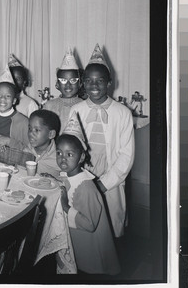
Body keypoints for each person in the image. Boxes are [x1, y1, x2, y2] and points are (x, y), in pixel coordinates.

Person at [69, 44, 135, 238]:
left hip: (111, 176)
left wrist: (104, 183)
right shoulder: (77, 110)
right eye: (89, 80)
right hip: (83, 174)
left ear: (109, 82)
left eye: (100, 80)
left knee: (111, 223)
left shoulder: (122, 113)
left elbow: (126, 154)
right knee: (85, 223)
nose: (94, 85)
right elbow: (72, 145)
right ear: (83, 83)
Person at [56, 116, 120, 275]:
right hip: (75, 241)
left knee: (86, 273)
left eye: (69, 154)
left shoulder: (86, 187)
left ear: (82, 157)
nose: (63, 158)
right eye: (59, 153)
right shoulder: (67, 174)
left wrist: (65, 206)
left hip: (88, 245)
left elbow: (89, 224)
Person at [0, 68, 29, 151]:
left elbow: (28, 149)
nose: (2, 99)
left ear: (14, 100)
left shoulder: (23, 121)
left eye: (7, 96)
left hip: (15, 162)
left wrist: (8, 141)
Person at [43, 47, 84, 134]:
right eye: (63, 80)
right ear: (57, 85)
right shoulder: (49, 106)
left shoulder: (84, 105)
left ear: (80, 84)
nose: (68, 85)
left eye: (73, 80)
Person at [25, 110, 61, 177]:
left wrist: (57, 181)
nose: (30, 133)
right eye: (30, 128)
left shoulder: (59, 157)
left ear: (51, 134)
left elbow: (68, 183)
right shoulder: (26, 151)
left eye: (37, 130)